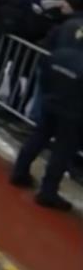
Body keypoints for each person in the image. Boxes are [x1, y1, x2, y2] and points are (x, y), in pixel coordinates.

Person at [10, 37, 83, 211]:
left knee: (37, 137)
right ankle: (48, 191)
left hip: (51, 103)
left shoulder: (58, 55)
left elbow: (43, 77)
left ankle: (19, 172)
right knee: (62, 151)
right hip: (74, 114)